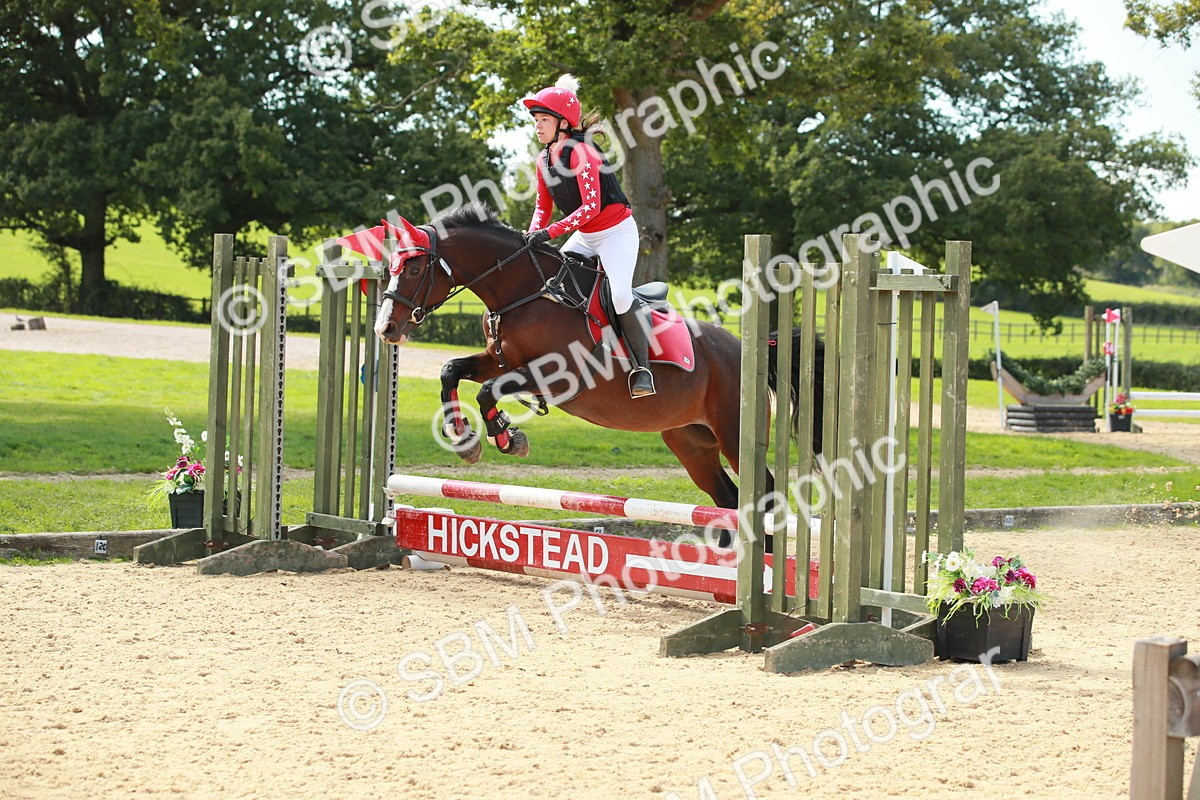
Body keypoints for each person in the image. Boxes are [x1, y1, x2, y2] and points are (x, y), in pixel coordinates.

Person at [522, 74, 655, 398]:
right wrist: (531, 233)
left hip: (616, 233)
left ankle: (642, 369)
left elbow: (591, 208)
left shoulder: (583, 152)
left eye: (543, 120)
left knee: (620, 295)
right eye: (536, 120)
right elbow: (542, 207)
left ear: (562, 122)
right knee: (551, 286)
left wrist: (549, 232)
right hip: (585, 236)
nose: (537, 126)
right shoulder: (543, 160)